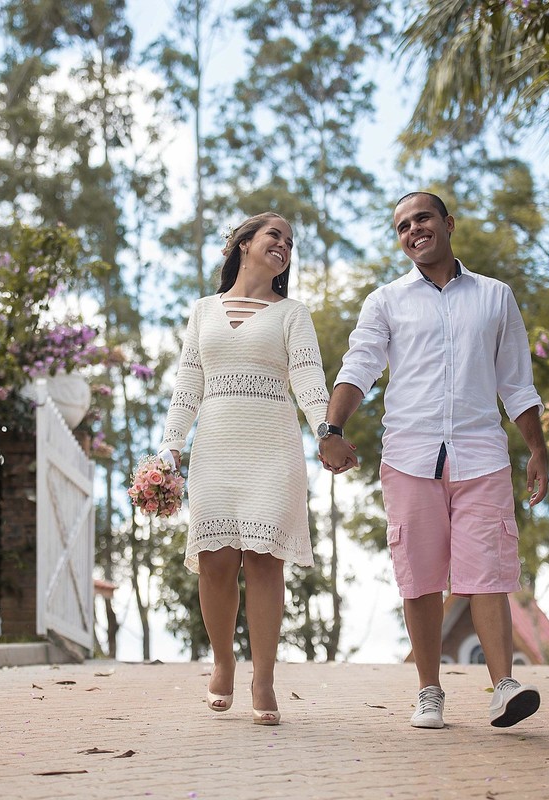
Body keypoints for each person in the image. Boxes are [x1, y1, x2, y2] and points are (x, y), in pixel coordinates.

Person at [319, 191, 549, 729]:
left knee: (488, 574)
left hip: (482, 455)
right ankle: (429, 692)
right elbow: (360, 367)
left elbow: (516, 382)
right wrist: (332, 429)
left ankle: (504, 688)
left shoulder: (495, 296)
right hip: (410, 456)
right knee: (419, 578)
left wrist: (537, 449)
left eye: (421, 218)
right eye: (402, 226)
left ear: (448, 223)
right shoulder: (386, 301)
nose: (413, 230)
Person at [159, 212, 334, 727]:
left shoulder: (293, 314)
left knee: (263, 561)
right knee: (214, 560)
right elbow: (188, 382)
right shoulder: (203, 311)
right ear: (243, 244)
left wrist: (327, 432)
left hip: (273, 450)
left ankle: (264, 677)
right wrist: (171, 445)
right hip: (215, 449)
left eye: (290, 241)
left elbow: (309, 381)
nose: (284, 245)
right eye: (274, 235)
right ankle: (223, 662)